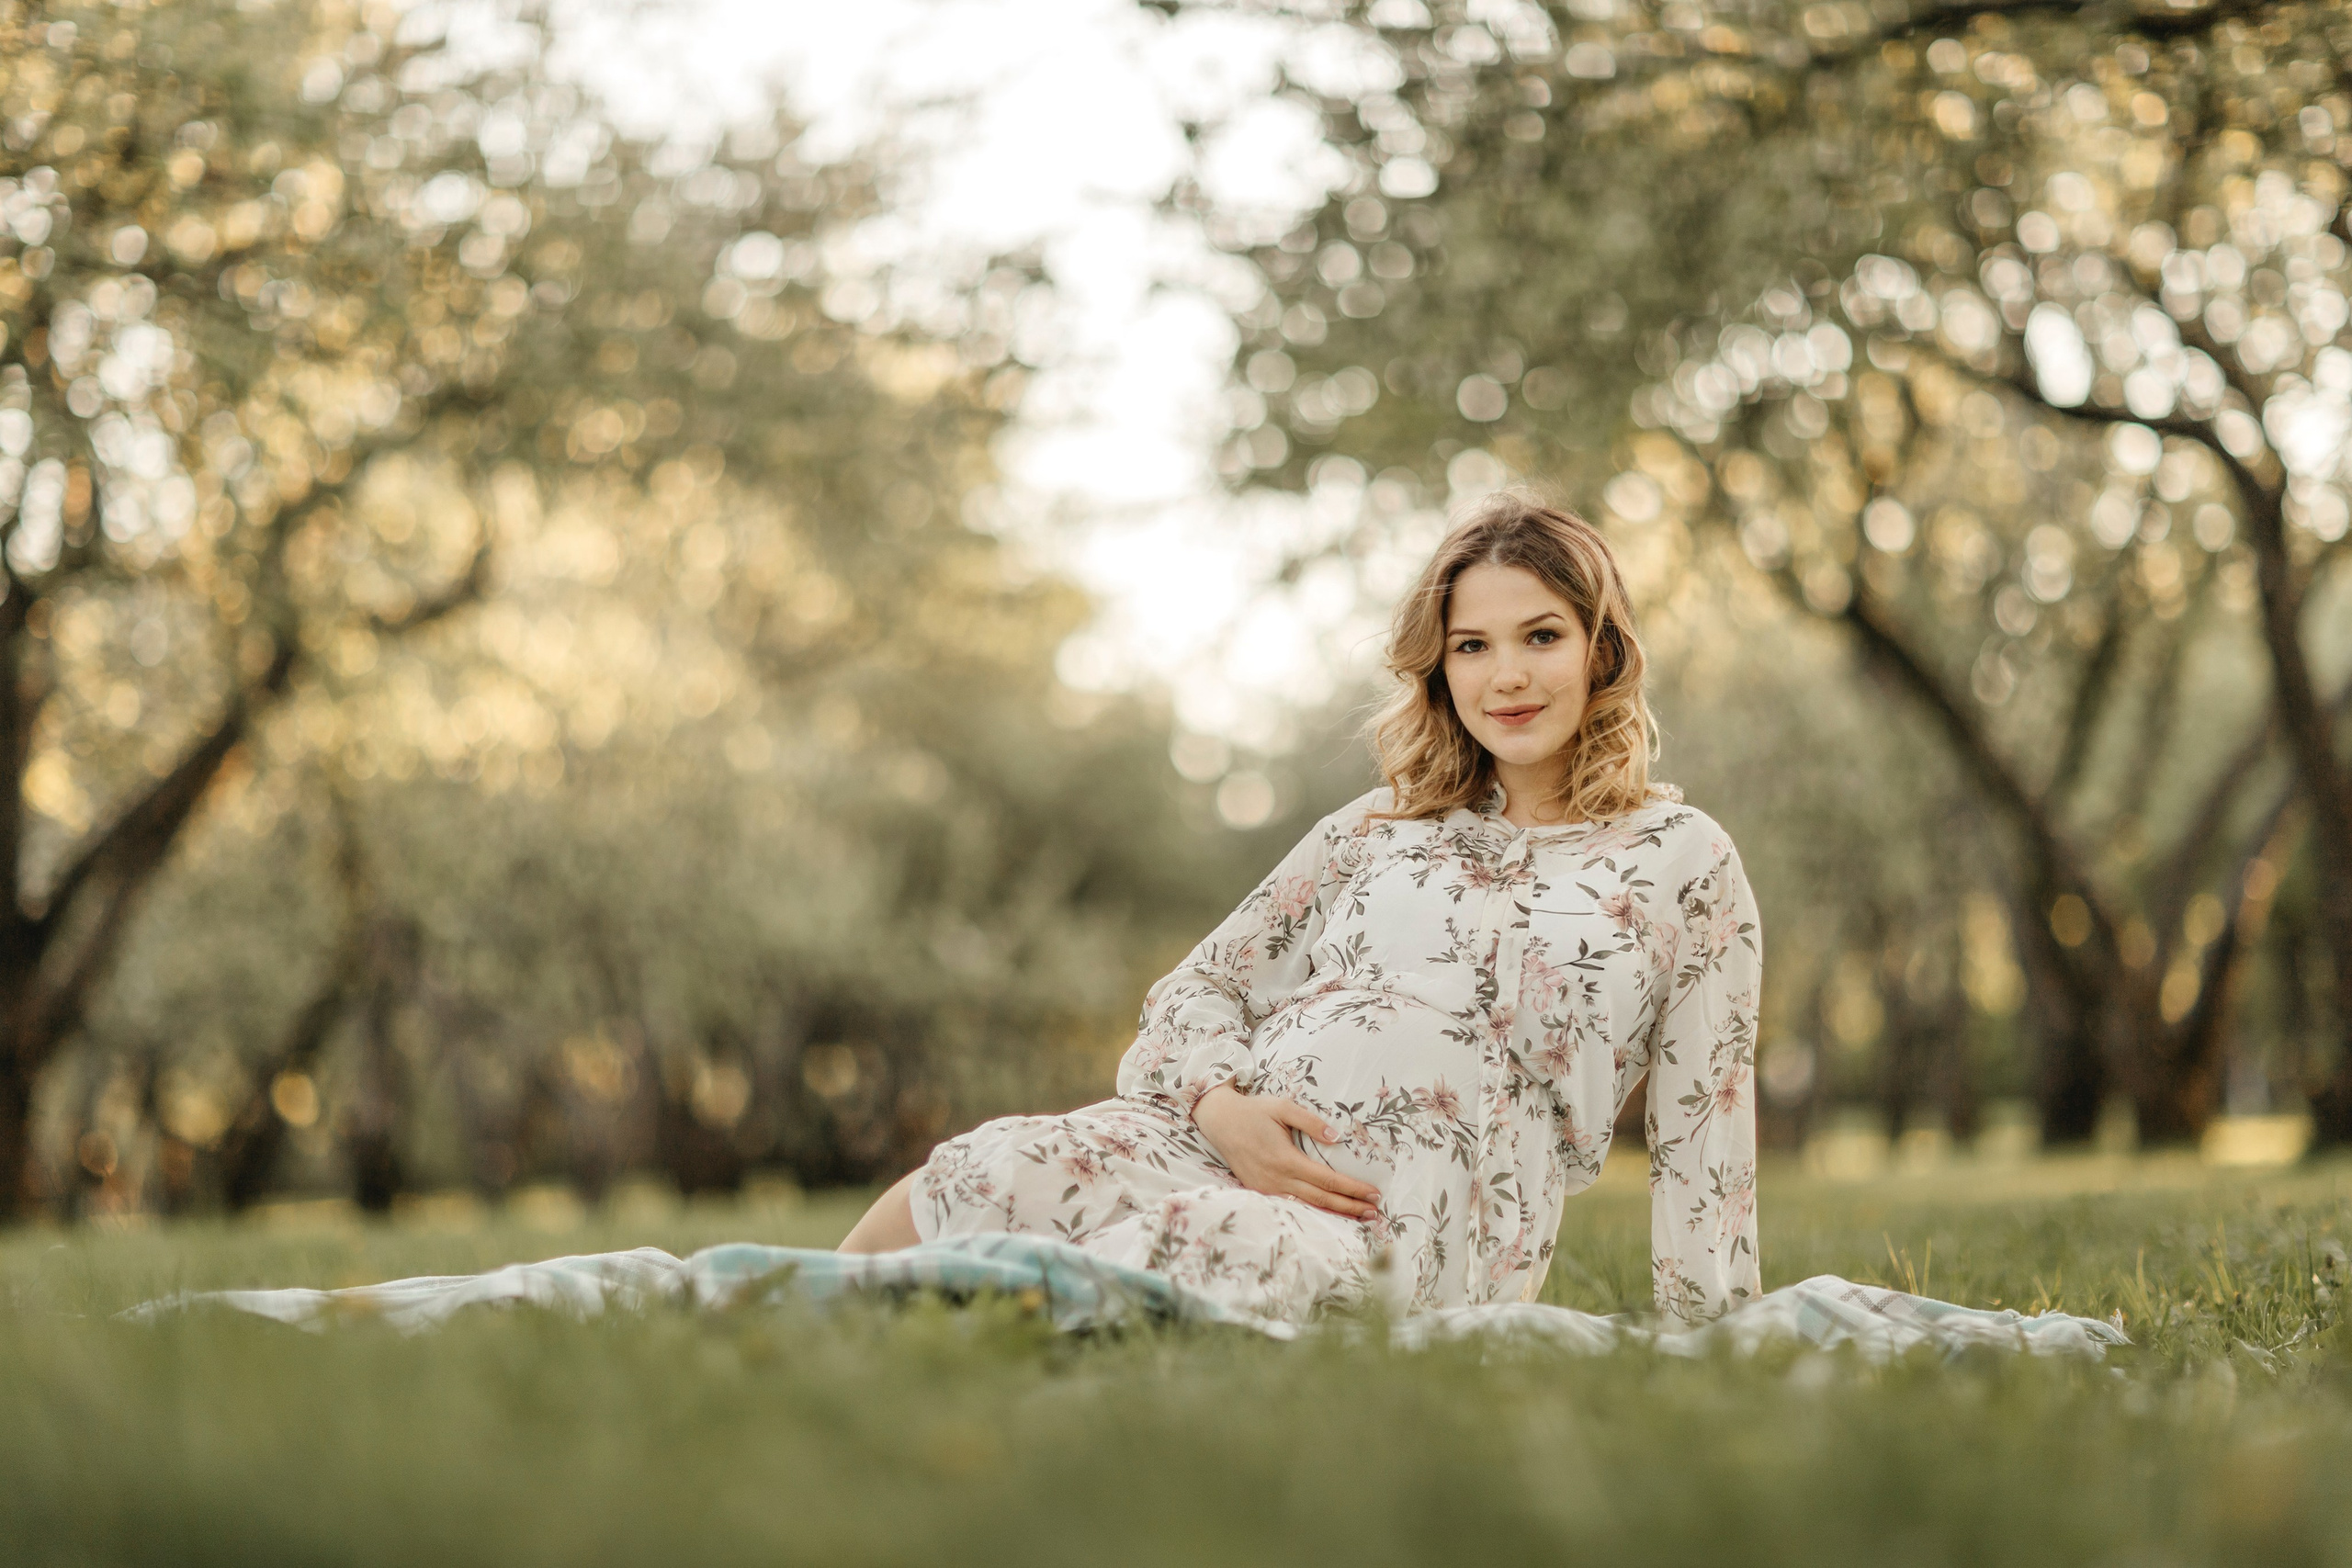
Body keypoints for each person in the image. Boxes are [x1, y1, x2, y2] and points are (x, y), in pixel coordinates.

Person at [838, 493, 1761, 1330]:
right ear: (1440, 669)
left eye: (1542, 636)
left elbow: (1703, 1126)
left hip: (1408, 1212)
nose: (1506, 676)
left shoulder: (1683, 859)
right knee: (1001, 1166)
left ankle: (968, 1343)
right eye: (1472, 647)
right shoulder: (1378, 826)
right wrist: (1219, 1109)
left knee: (1213, 1239)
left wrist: (1710, 1327)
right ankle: (789, 1318)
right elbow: (1197, 988)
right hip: (1210, 1142)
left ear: (1603, 648)